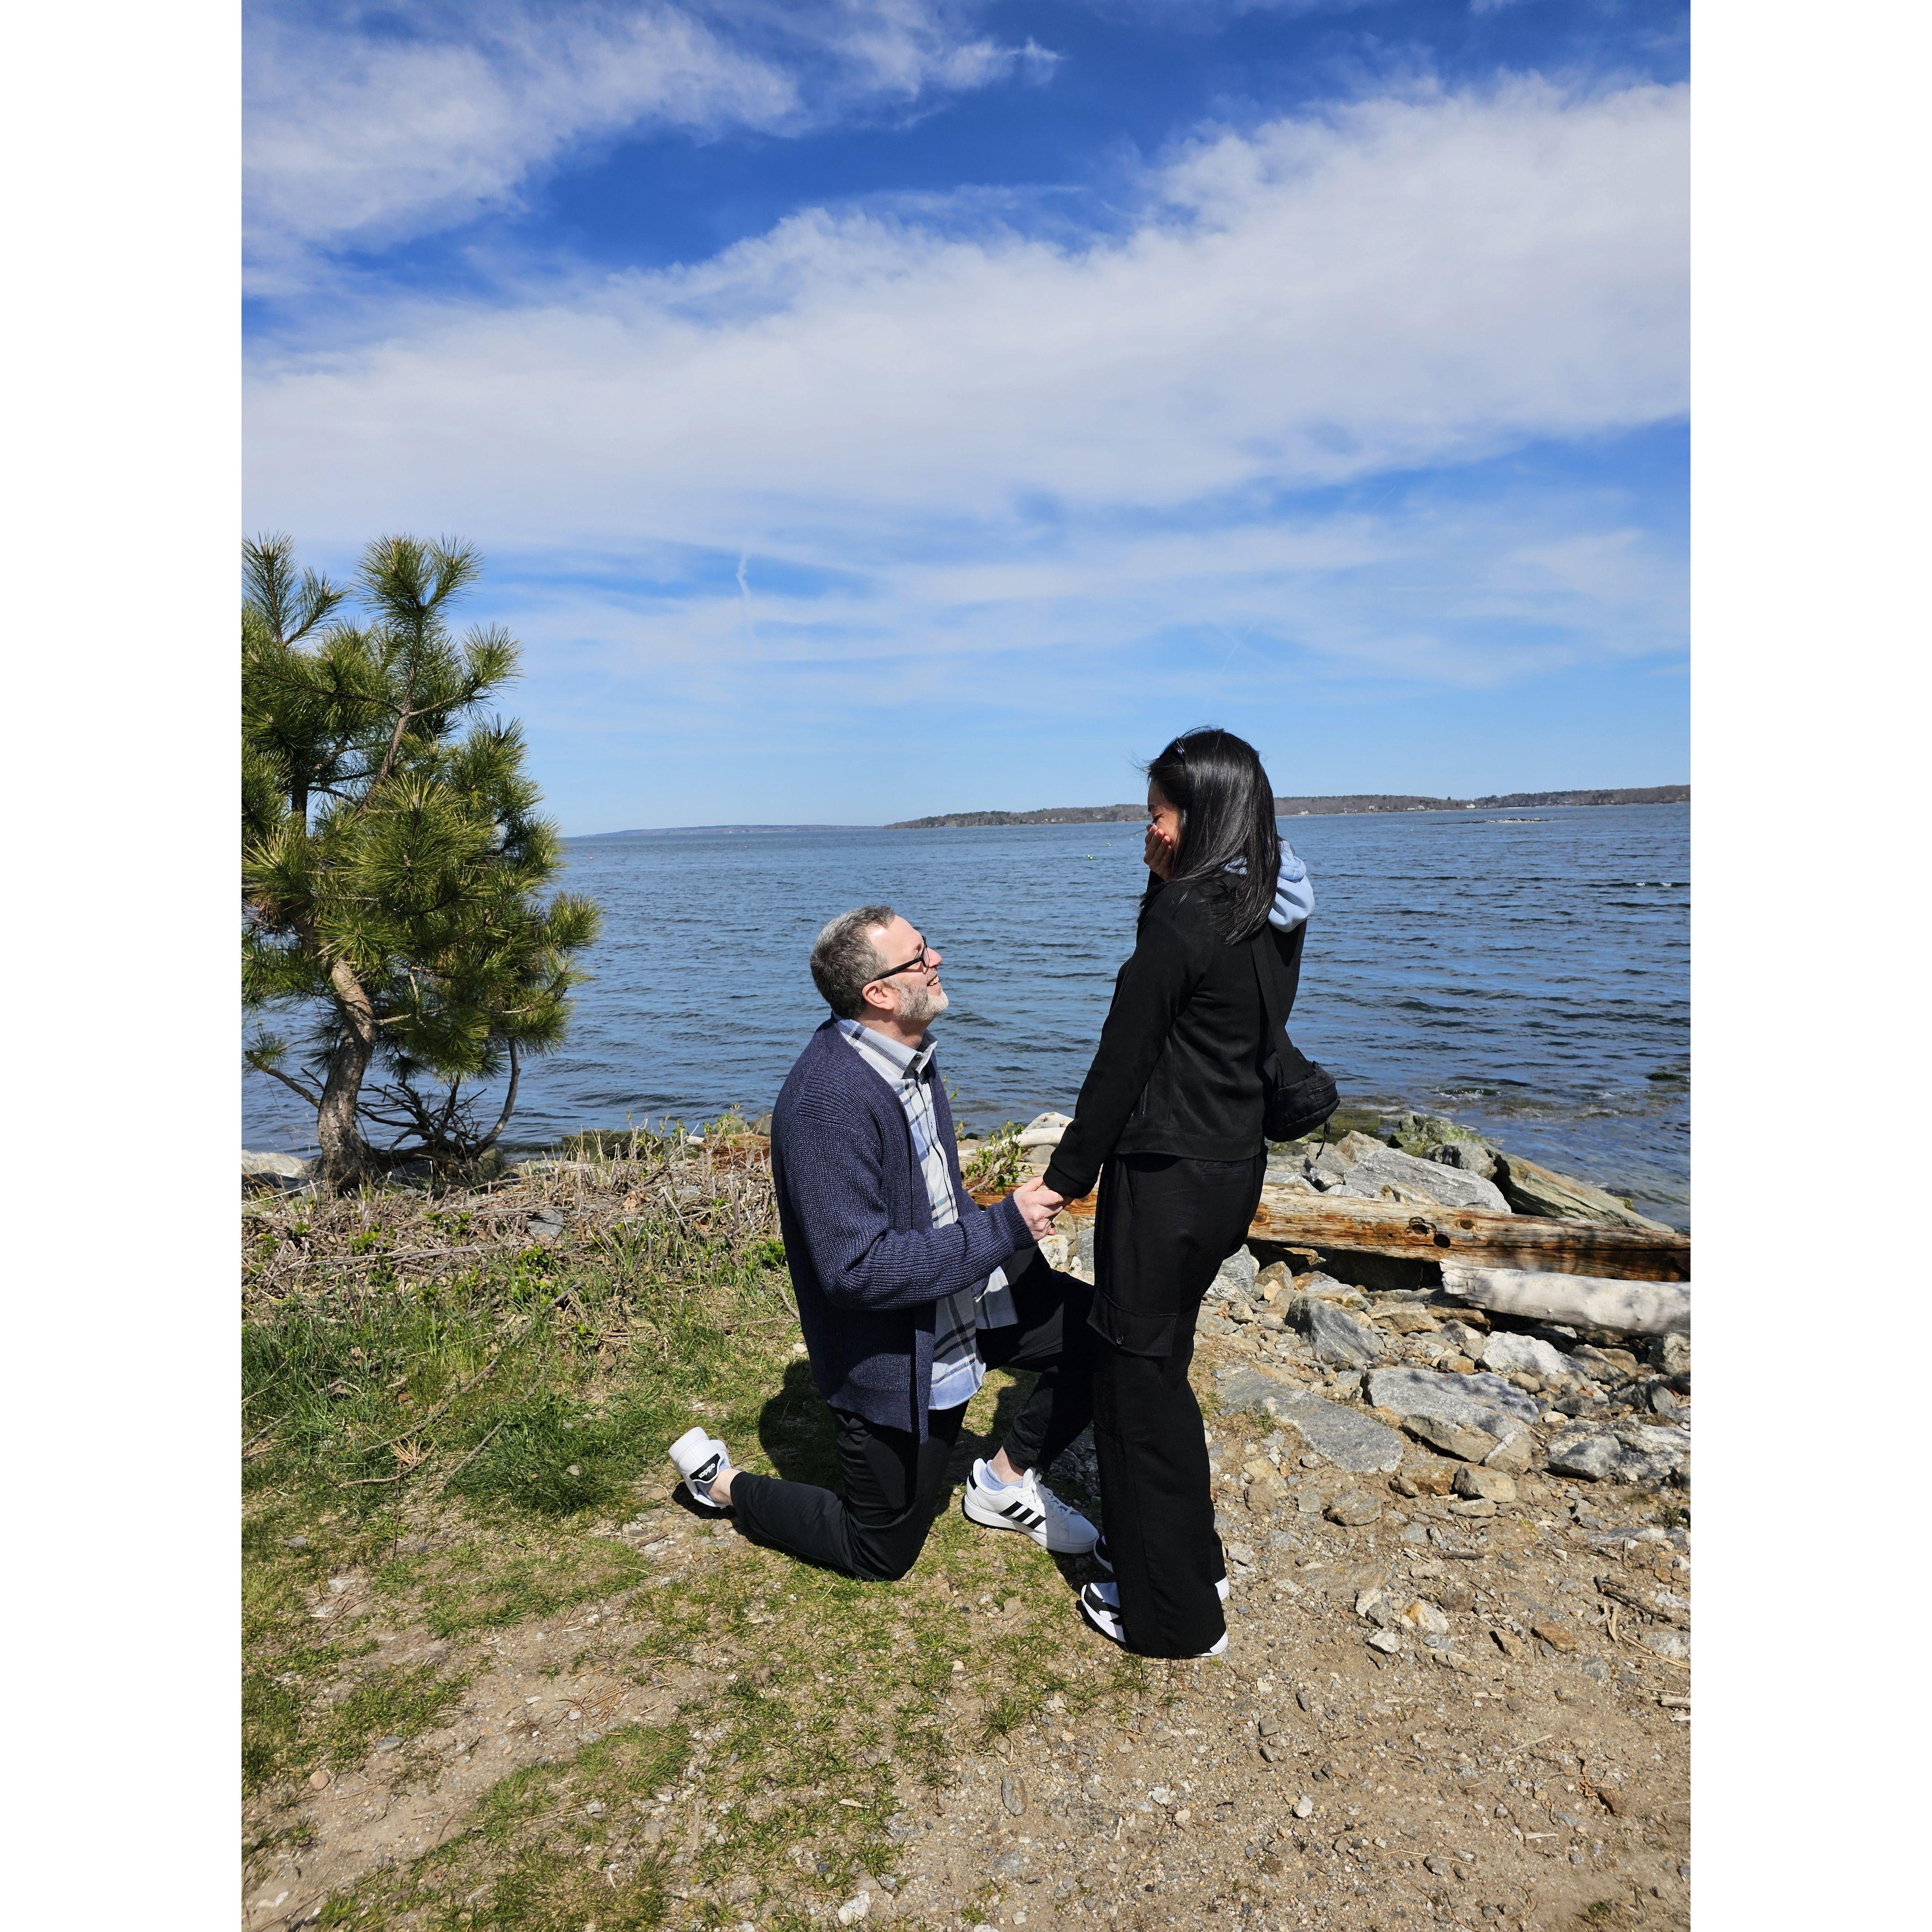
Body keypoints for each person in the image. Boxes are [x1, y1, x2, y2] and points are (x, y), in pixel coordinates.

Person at [665, 905, 1100, 1580]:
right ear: (880, 994)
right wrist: (1006, 1224)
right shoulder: (827, 1102)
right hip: (898, 1346)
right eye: (920, 955)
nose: (938, 961)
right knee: (880, 1552)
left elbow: (933, 1195)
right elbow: (856, 1272)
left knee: (1107, 1333)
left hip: (972, 1294)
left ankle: (1003, 1482)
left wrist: (1003, 1238)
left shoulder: (910, 1057)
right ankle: (720, 1483)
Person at [1034, 728, 1315, 1659]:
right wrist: (1166, 886)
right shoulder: (1268, 903)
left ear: (1199, 815)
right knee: (1161, 1369)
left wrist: (1063, 1180)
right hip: (1229, 1170)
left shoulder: (1189, 914)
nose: (1145, 832)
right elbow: (1213, 1018)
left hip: (1166, 1181)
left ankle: (1173, 1617)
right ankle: (1193, 1559)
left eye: (1156, 814)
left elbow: (1127, 1058)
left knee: (1135, 1386)